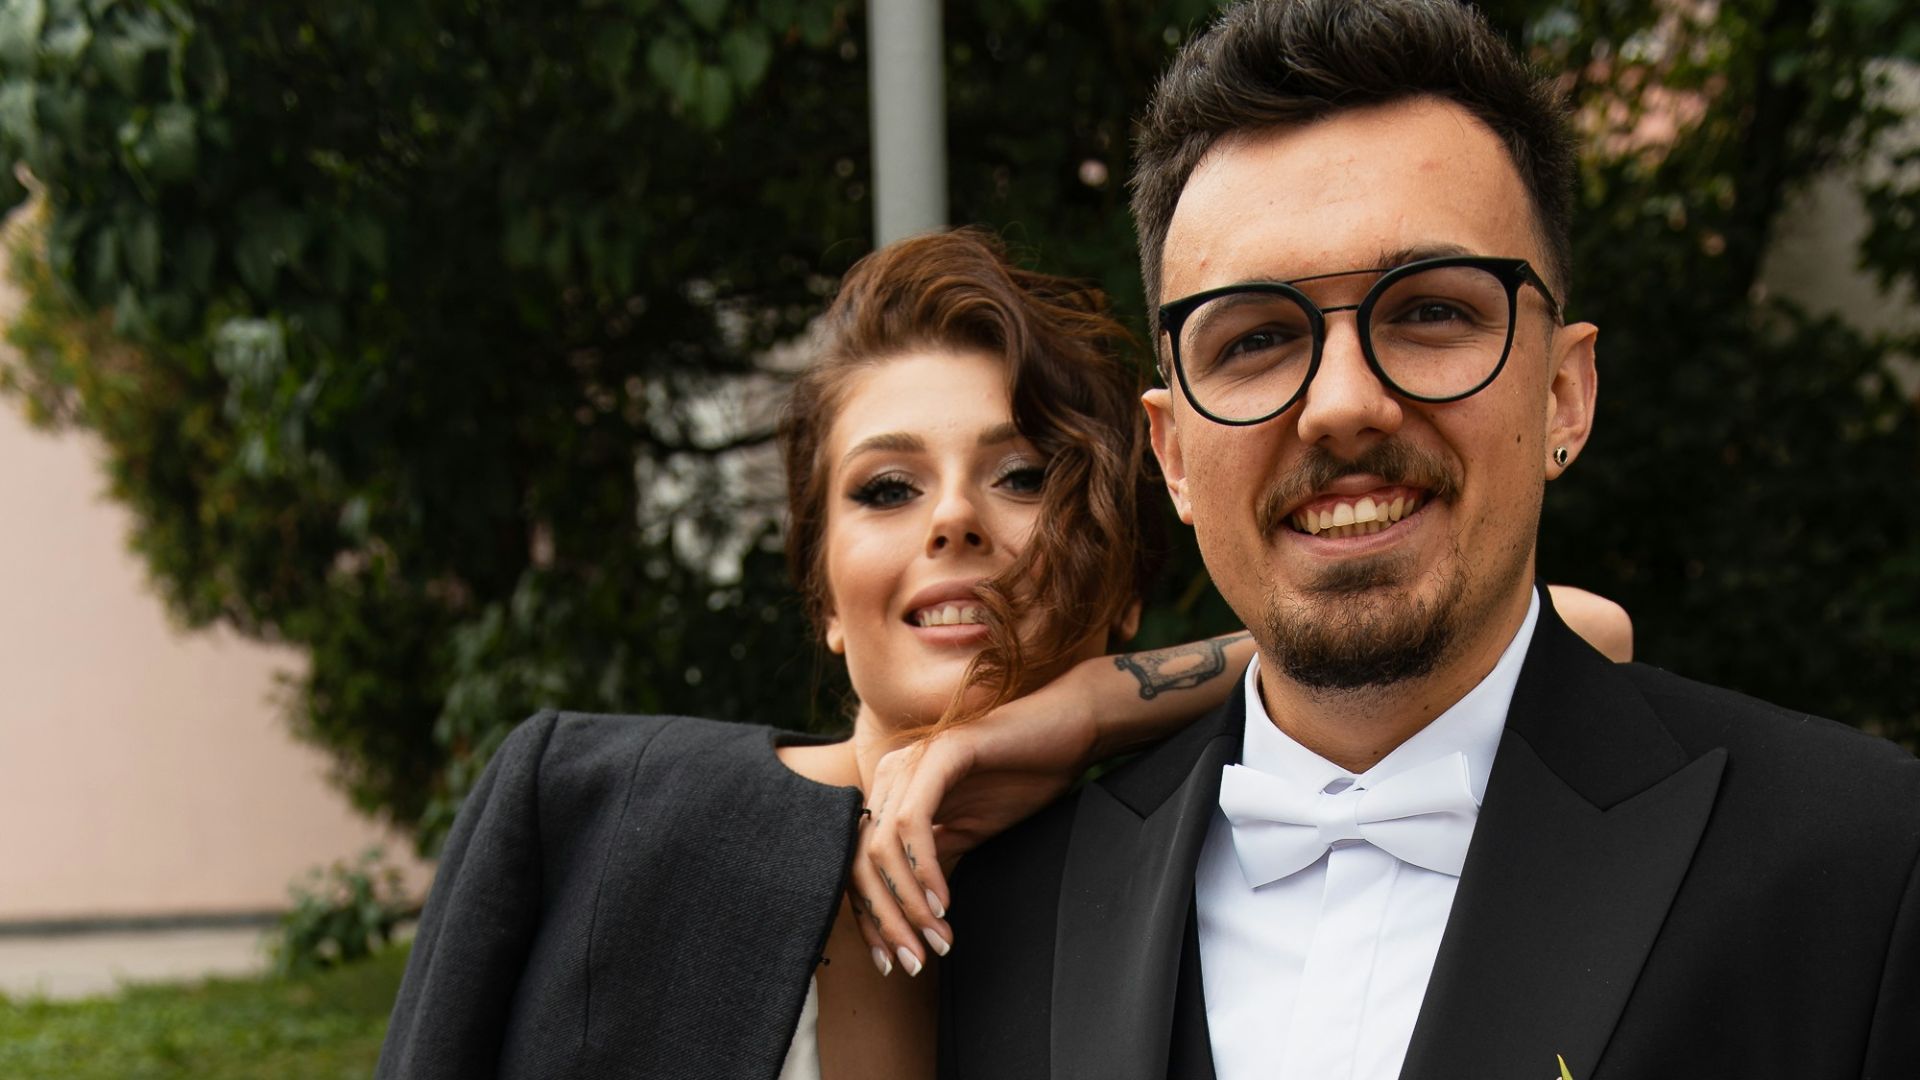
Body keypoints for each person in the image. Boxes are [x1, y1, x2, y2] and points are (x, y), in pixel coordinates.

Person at [374, 224, 1634, 1079]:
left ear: (1124, 587)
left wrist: (1084, 713)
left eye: (1022, 475)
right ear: (823, 592)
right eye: (883, 489)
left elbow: (1584, 626)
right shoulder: (592, 805)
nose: (954, 519)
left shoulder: (1167, 865)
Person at [920, 4, 1920, 1080]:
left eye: (1432, 313)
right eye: (1256, 338)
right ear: (1171, 452)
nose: (1343, 405)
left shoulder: (1865, 862)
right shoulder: (1004, 915)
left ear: (1566, 394)